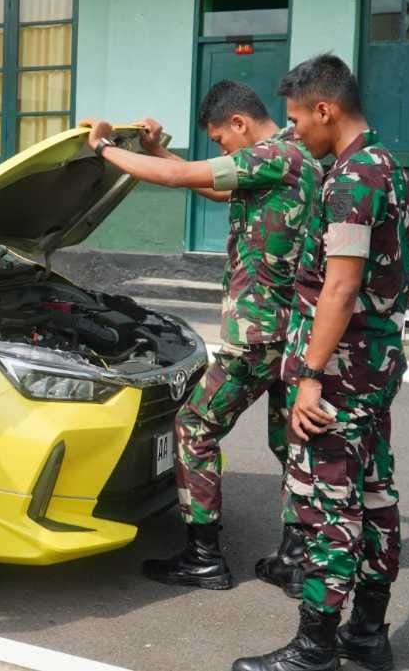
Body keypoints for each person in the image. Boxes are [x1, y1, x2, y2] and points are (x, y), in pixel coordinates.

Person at [82, 81, 320, 592]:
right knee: (290, 442)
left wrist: (104, 147)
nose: (220, 151)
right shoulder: (298, 155)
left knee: (194, 427)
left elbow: (177, 177)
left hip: (256, 332)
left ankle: (204, 556)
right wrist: (157, 149)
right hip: (296, 333)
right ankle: (297, 559)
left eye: (219, 140)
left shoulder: (266, 155)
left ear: (239, 123)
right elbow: (214, 186)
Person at [233, 54, 409, 671]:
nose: (294, 134)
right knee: (375, 494)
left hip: (341, 369)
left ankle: (314, 649)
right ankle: (366, 633)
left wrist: (309, 377)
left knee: (327, 506)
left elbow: (338, 288)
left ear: (325, 110)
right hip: (375, 363)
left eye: (296, 121)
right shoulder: (390, 167)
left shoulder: (352, 179)